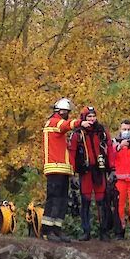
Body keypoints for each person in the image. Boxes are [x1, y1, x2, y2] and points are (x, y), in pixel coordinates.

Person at [41, 98, 91, 241]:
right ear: (61, 111)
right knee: (54, 199)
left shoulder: (56, 124)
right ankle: (48, 231)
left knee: (62, 200)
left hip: (62, 169)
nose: (67, 114)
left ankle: (57, 230)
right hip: (55, 168)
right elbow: (66, 125)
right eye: (67, 112)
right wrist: (81, 123)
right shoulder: (54, 122)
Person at [71, 105, 116, 240]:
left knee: (101, 201)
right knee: (85, 201)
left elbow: (110, 149)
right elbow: (72, 153)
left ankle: (104, 232)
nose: (91, 119)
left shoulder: (101, 132)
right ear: (84, 118)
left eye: (93, 116)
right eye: (89, 116)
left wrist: (112, 169)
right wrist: (72, 173)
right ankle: (86, 231)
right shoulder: (78, 134)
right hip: (85, 172)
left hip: (100, 170)